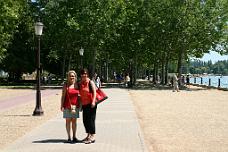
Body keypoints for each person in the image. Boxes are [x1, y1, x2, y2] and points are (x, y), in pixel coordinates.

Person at [60, 70, 80, 143]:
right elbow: (63, 96)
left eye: (73, 76)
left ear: (75, 77)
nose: (72, 77)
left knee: (74, 121)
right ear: (68, 77)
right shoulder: (65, 85)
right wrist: (61, 105)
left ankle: (74, 136)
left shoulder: (77, 84)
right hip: (67, 105)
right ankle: (69, 137)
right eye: (70, 76)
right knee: (68, 121)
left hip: (75, 106)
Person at [79, 68, 97, 144]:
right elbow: (80, 95)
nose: (84, 75)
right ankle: (88, 135)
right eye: (83, 74)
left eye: (86, 73)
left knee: (91, 120)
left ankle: (92, 136)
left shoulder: (90, 82)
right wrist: (80, 105)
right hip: (84, 104)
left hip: (91, 104)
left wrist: (93, 101)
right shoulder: (80, 83)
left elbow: (94, 92)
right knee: (85, 120)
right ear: (81, 75)